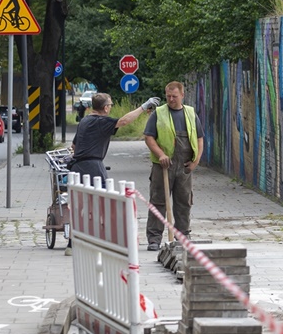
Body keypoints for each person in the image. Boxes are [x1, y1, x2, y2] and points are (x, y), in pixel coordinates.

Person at [66, 92, 158, 254]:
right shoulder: (101, 121)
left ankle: (72, 244)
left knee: (79, 205)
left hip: (76, 167)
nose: (110, 107)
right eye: (110, 105)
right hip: (93, 167)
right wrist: (144, 106)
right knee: (103, 204)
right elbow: (124, 121)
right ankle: (103, 240)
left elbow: (74, 146)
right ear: (106, 107)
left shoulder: (84, 121)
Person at [143, 81, 204, 251]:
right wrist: (161, 154)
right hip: (163, 165)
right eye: (168, 96)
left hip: (184, 165)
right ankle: (154, 239)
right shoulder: (158, 113)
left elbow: (199, 139)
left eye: (174, 96)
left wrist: (196, 161)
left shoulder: (191, 114)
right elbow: (149, 137)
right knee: (158, 201)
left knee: (184, 201)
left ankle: (182, 235)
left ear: (182, 95)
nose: (171, 99)